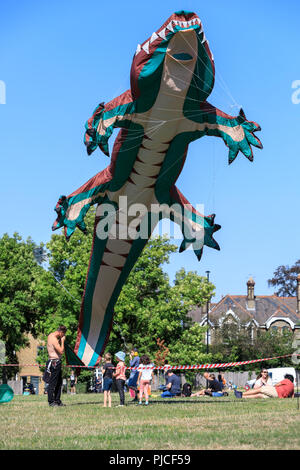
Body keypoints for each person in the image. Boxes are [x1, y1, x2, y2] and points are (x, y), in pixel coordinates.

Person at [46, 325, 67, 407]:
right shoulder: (54, 339)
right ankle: (51, 401)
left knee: (59, 383)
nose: (63, 336)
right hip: (55, 362)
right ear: (61, 332)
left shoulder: (50, 335)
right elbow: (61, 351)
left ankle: (57, 401)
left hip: (55, 362)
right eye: (63, 334)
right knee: (53, 383)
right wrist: (62, 341)